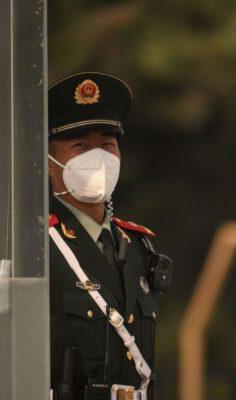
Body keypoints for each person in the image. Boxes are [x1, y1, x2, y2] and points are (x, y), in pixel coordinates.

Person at [46, 72, 171, 400]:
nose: (98, 157)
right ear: (48, 161)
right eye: (80, 145)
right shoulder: (35, 244)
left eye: (107, 144)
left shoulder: (137, 246)